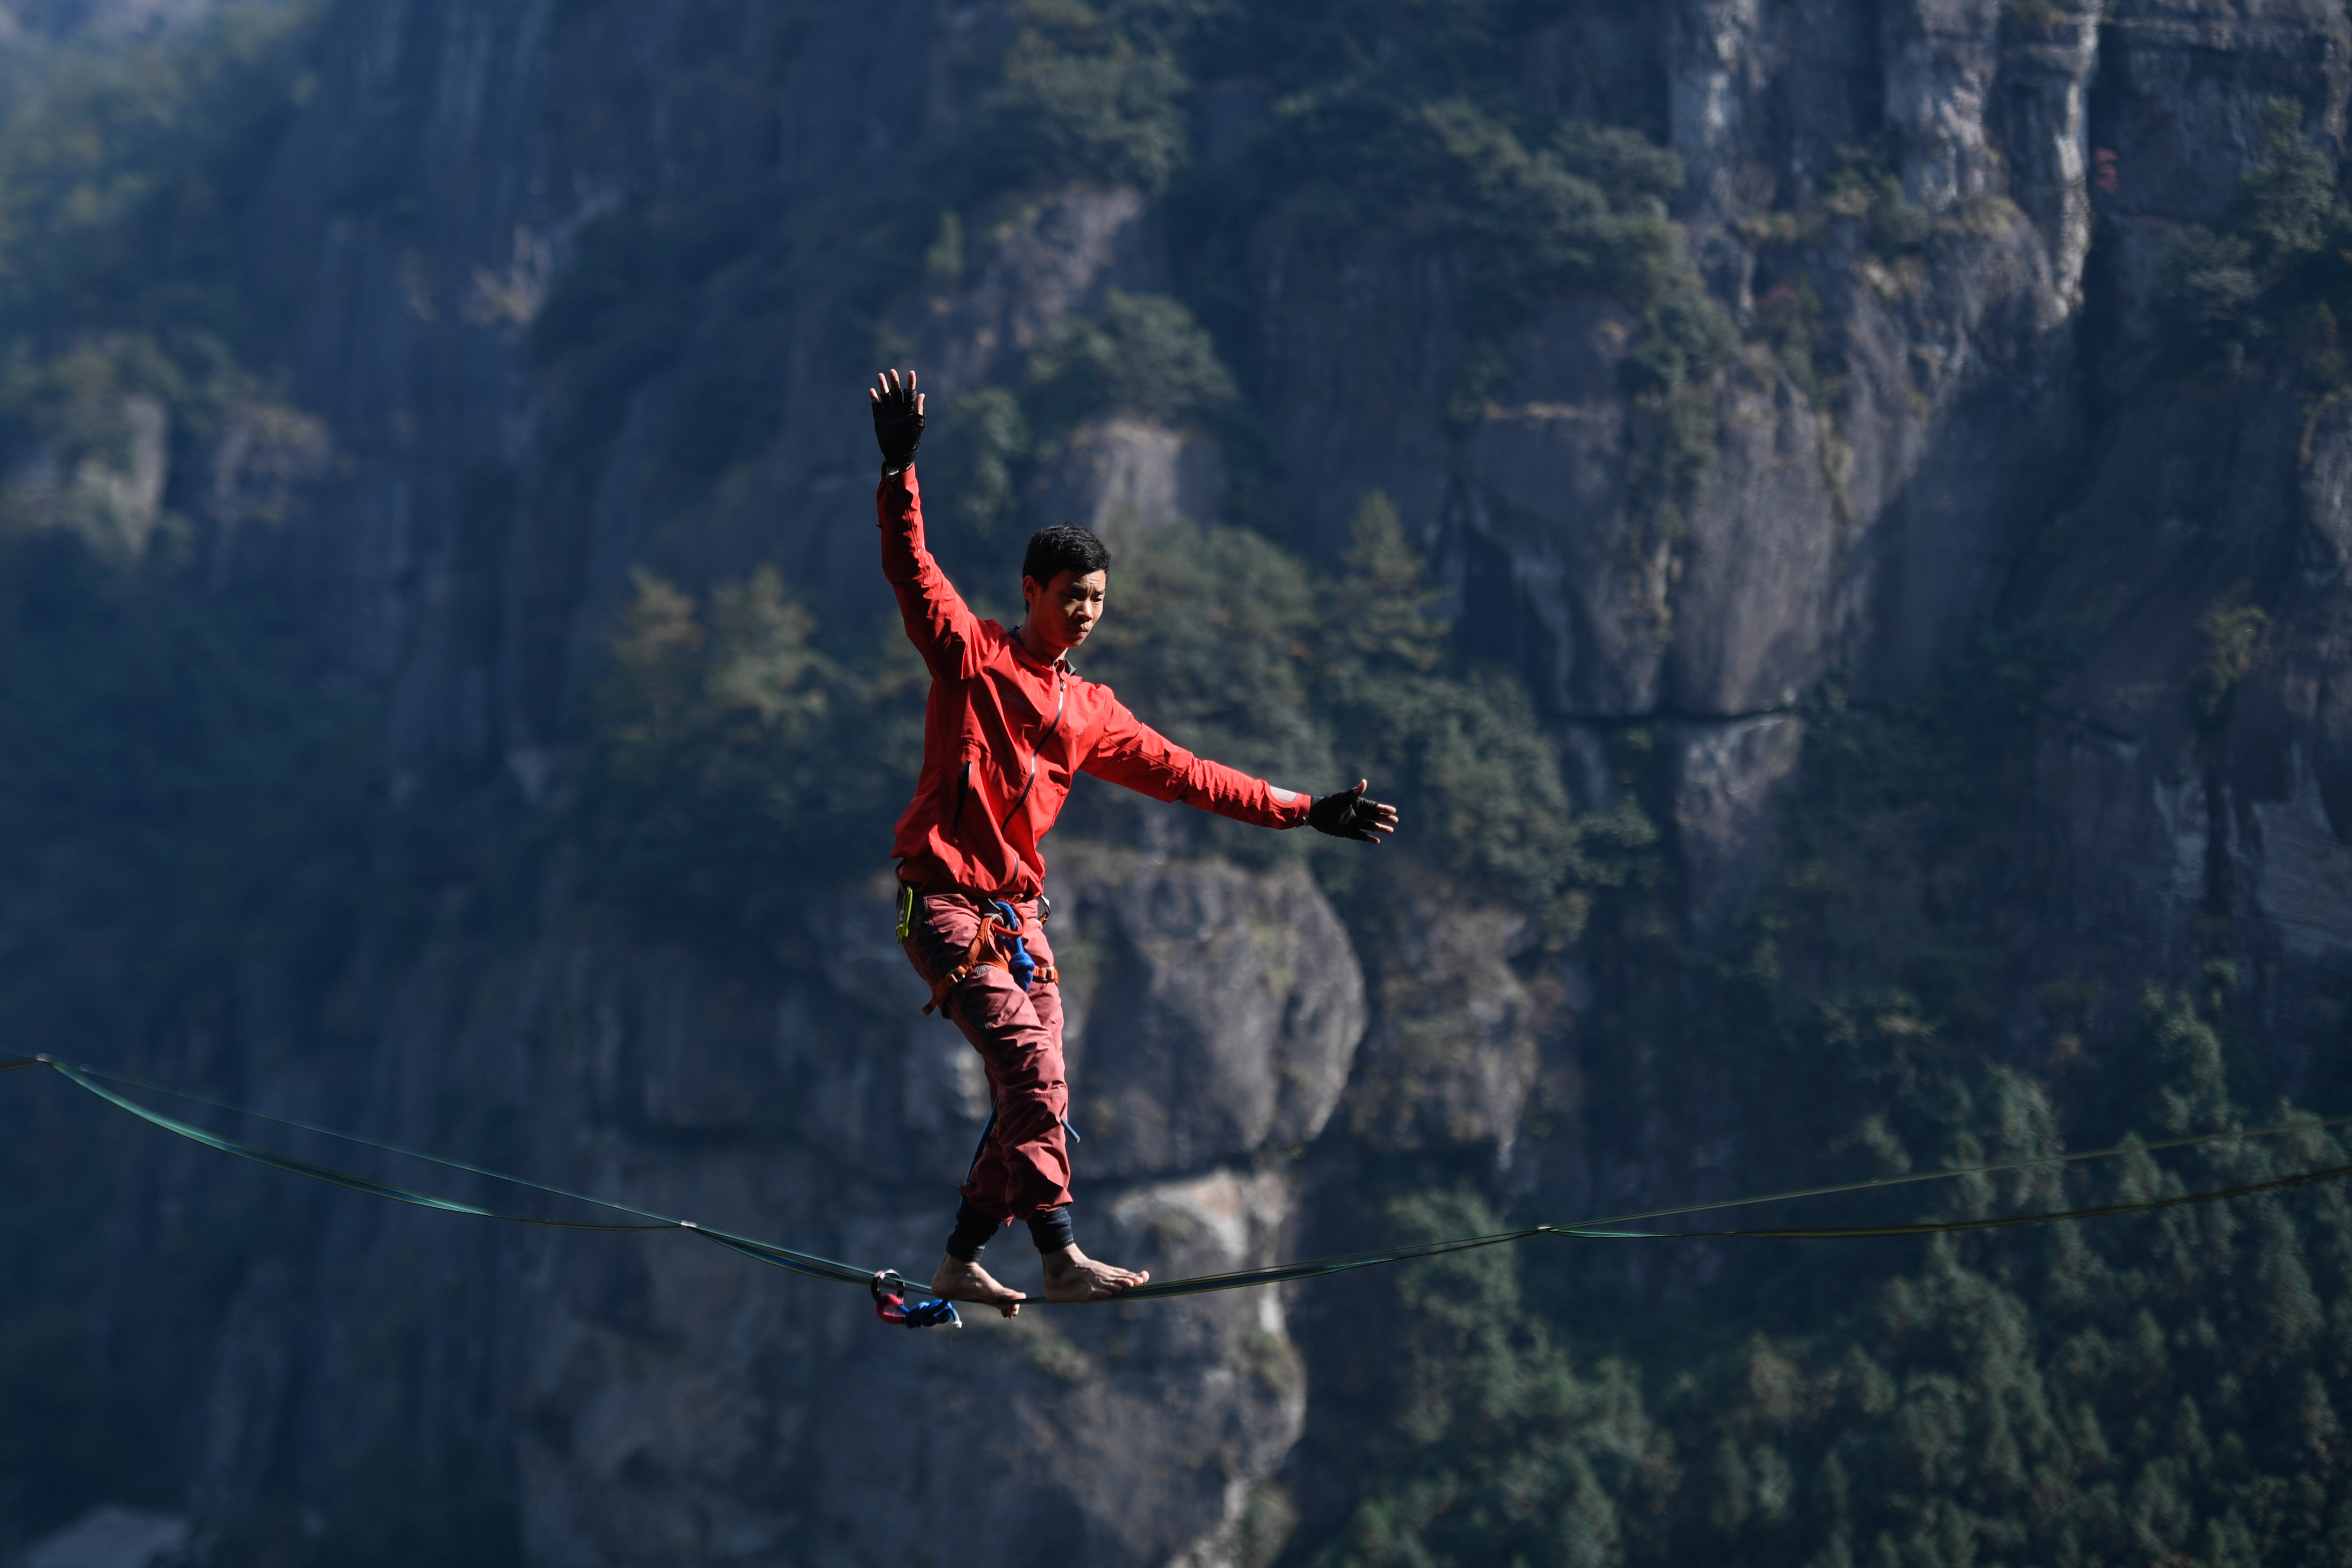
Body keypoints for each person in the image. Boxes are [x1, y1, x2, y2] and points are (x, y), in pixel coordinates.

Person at [868, 368, 1399, 1316]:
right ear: (1032, 589)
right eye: (1071, 593)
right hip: (942, 902)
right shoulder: (970, 656)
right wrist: (900, 467)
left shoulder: (1091, 711)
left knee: (1041, 1095)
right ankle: (1060, 1252)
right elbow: (912, 569)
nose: (1084, 611)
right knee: (1028, 1071)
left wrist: (1304, 807)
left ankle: (958, 1258)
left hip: (1019, 919)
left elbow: (1192, 774)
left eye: (1098, 598)